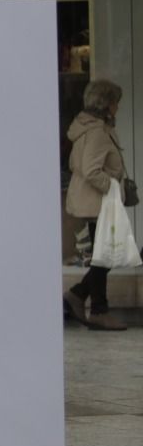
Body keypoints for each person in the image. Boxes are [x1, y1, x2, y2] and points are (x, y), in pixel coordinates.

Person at [64, 79, 128, 331]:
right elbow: (91, 170)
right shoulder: (97, 132)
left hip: (90, 202)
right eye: (116, 103)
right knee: (107, 256)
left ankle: (81, 297)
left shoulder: (85, 128)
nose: (118, 108)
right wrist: (112, 187)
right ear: (107, 104)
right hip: (98, 204)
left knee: (104, 257)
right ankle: (96, 309)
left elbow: (75, 164)